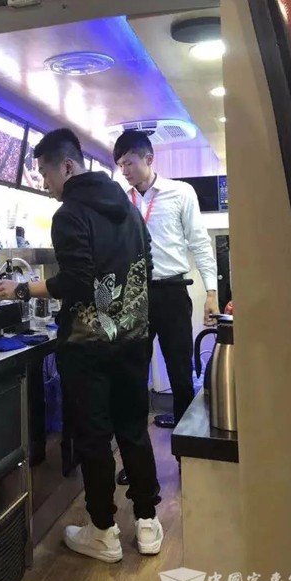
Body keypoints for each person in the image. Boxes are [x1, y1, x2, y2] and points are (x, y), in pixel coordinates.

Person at [0, 128, 162, 563]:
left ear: (67, 166)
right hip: (132, 339)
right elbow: (146, 264)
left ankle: (103, 532)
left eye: (46, 174)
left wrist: (22, 289)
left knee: (94, 437)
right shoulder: (127, 207)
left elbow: (78, 281)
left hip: (88, 349)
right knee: (133, 430)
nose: (46, 184)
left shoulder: (69, 214)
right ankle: (147, 522)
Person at [113, 130, 218, 483]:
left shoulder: (180, 192)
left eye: (129, 162)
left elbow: (200, 244)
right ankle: (137, 464)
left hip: (172, 292)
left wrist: (212, 293)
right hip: (134, 296)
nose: (125, 170)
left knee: (181, 376)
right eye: (120, 164)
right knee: (132, 379)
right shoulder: (121, 200)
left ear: (148, 159)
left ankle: (188, 459)